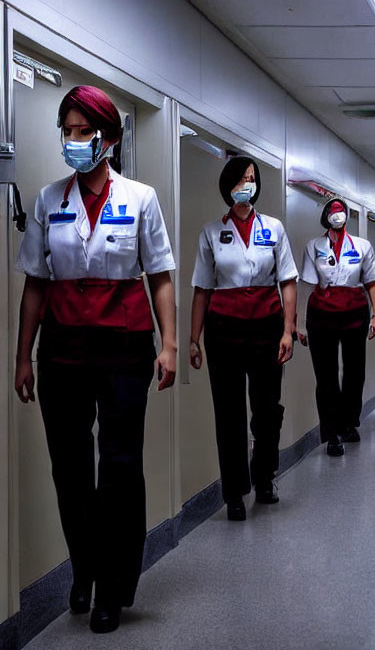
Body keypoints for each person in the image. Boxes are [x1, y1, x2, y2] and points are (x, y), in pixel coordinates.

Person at [13, 85, 177, 634]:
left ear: (110, 138)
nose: (76, 141)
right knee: (70, 469)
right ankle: (83, 567)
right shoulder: (47, 200)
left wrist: (171, 344)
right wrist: (23, 358)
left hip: (125, 346)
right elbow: (36, 284)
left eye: (87, 132)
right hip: (62, 349)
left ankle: (113, 586)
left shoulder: (141, 198)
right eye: (70, 131)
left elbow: (159, 276)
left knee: (122, 467)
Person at [188, 156, 298, 522]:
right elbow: (202, 289)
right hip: (224, 332)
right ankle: (234, 492)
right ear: (228, 186)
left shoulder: (274, 229)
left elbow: (288, 282)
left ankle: (264, 476)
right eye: (240, 179)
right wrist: (193, 338)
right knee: (229, 413)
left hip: (267, 327)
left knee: (267, 410)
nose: (246, 185)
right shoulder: (210, 232)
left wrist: (288, 330)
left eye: (251, 179)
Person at [296, 198, 375, 457]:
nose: (338, 215)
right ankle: (331, 433)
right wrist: (299, 323)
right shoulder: (314, 246)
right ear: (325, 216)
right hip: (321, 314)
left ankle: (349, 423)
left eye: (341, 211)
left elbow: (371, 282)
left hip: (355, 312)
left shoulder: (362, 246)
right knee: (327, 376)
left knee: (355, 373)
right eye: (333, 212)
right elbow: (307, 285)